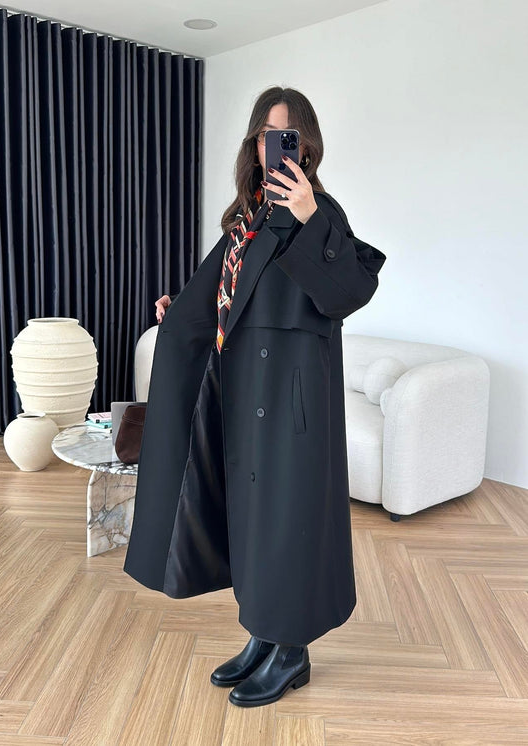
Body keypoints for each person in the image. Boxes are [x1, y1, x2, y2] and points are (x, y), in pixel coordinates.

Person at [123, 86, 387, 708]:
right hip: (247, 398)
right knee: (253, 521)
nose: (277, 147)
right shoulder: (247, 218)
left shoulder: (321, 212)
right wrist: (182, 313)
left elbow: (349, 292)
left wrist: (309, 218)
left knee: (288, 523)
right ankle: (262, 634)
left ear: (307, 146)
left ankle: (291, 651)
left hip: (293, 406)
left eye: (288, 136)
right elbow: (225, 294)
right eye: (268, 136)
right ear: (254, 144)